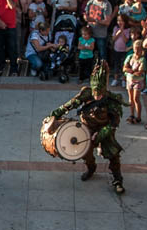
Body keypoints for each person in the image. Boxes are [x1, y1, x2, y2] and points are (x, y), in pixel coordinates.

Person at [46, 62, 126, 193]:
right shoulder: (86, 93)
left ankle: (118, 180)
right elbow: (70, 105)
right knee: (85, 152)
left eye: (100, 94)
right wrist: (55, 115)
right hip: (87, 128)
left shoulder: (112, 101)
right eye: (95, 93)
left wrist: (100, 134)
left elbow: (113, 124)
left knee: (113, 154)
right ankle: (91, 168)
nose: (97, 96)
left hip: (104, 129)